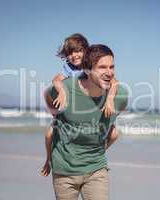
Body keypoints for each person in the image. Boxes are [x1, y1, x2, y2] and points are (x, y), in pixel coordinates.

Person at [45, 44, 128, 200]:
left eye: (112, 67)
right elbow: (48, 94)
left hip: (97, 169)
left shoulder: (120, 96)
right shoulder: (65, 88)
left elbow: (117, 112)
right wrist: (56, 116)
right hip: (64, 171)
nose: (109, 72)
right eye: (102, 67)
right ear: (88, 70)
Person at [41, 34, 119, 177]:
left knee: (115, 134)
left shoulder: (92, 65)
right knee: (48, 134)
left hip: (91, 111)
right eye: (70, 53)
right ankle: (49, 159)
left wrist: (110, 100)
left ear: (86, 51)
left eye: (78, 51)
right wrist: (62, 93)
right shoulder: (69, 68)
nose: (74, 55)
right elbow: (56, 80)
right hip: (70, 113)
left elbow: (115, 82)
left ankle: (97, 153)